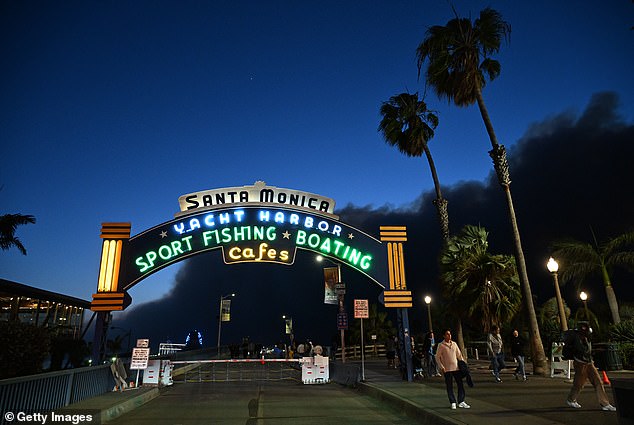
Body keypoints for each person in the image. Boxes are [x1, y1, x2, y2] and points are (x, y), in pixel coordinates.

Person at [566, 322, 617, 411]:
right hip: (580, 363)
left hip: (589, 363)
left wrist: (593, 352)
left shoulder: (586, 338)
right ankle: (571, 399)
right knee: (579, 384)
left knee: (598, 381)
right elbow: (582, 351)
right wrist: (593, 352)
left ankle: (605, 404)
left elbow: (587, 351)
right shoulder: (578, 338)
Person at [436, 329, 470, 410]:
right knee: (449, 386)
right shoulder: (441, 345)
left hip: (456, 368)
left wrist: (463, 364)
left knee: (460, 384)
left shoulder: (454, 344)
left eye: (450, 334)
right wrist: (441, 367)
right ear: (444, 336)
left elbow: (459, 355)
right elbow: (437, 357)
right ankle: (453, 401)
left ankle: (461, 401)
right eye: (447, 334)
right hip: (447, 369)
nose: (449, 336)